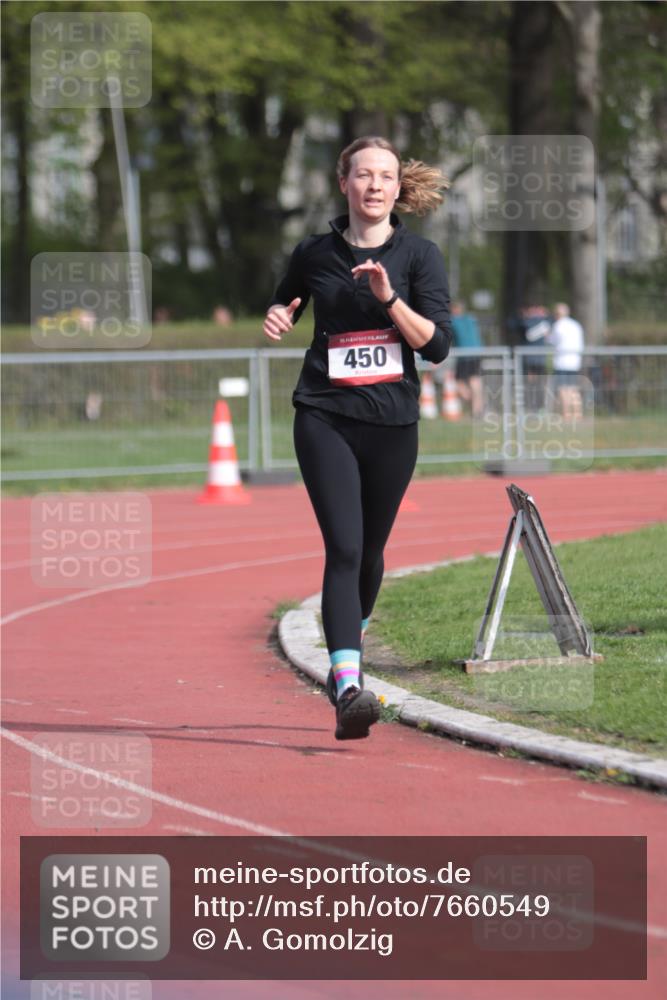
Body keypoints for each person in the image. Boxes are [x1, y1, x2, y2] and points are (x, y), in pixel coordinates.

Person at [263, 136, 452, 741]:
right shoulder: (314, 252)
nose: (374, 185)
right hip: (324, 416)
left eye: (386, 176)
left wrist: (387, 299)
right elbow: (285, 299)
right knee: (343, 549)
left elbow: (438, 347)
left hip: (393, 425)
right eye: (363, 174)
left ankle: (352, 635)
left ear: (399, 189)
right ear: (343, 182)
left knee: (370, 554)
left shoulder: (419, 256)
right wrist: (279, 316)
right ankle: (347, 685)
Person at [548, 302, 584, 420]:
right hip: (575, 361)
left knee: (563, 388)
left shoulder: (558, 325)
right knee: (573, 388)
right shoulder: (576, 325)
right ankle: (578, 413)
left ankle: (567, 414)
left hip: (562, 362)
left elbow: (552, 341)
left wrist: (547, 335)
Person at [451, 300, 483, 418]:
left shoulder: (453, 321)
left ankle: (475, 405)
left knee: (459, 383)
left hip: (464, 356)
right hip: (477, 353)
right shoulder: (471, 319)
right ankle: (477, 409)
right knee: (475, 381)